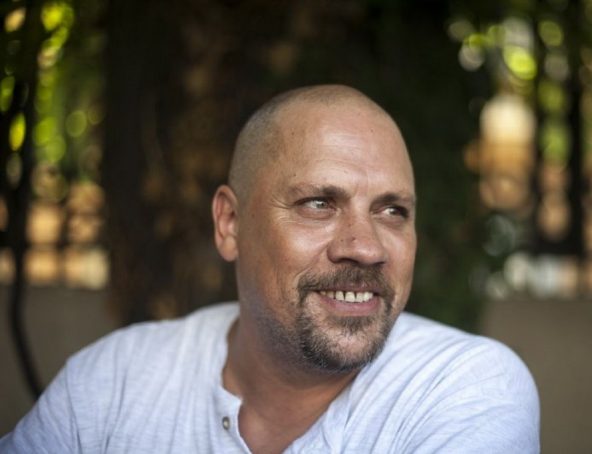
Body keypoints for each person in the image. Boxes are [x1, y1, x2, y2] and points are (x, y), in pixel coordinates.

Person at [0, 85, 540, 453]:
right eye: (319, 204)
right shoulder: (111, 383)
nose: (366, 248)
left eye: (392, 211)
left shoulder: (464, 389)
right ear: (230, 224)